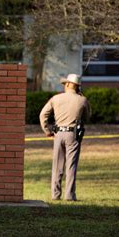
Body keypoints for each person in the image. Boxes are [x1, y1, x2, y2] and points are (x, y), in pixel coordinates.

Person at [39, 73, 90, 201]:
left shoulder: (55, 98)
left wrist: (47, 131)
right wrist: (82, 98)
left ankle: (55, 195)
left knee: (57, 166)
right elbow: (87, 117)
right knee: (71, 166)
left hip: (58, 134)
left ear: (68, 84)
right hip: (73, 134)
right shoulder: (82, 100)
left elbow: (43, 115)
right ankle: (69, 195)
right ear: (77, 87)